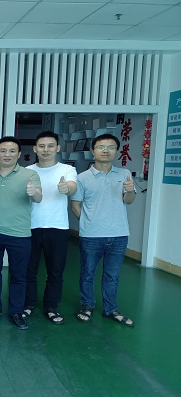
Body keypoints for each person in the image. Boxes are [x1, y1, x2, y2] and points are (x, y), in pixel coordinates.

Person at [0, 136, 42, 330]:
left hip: (20, 234)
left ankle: (16, 312)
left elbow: (38, 198)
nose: (7, 154)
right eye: (3, 150)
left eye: (12, 151)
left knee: (18, 276)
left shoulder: (29, 174)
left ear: (19, 154)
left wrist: (34, 192)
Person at [71, 133, 136, 327]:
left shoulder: (124, 174)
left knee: (112, 275)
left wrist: (130, 190)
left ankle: (111, 309)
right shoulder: (82, 178)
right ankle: (87, 305)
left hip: (119, 234)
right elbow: (75, 205)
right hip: (91, 235)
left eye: (110, 147)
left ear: (116, 151)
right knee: (87, 273)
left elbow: (129, 201)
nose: (105, 150)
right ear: (93, 151)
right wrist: (88, 223)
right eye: (101, 147)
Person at [24, 131, 77, 324]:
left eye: (50, 146)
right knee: (28, 270)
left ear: (58, 148)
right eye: (42, 146)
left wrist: (66, 188)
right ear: (35, 149)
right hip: (29, 227)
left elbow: (72, 187)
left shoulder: (67, 170)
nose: (46, 149)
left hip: (57, 227)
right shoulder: (27, 171)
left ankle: (51, 307)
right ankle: (28, 304)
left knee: (55, 271)